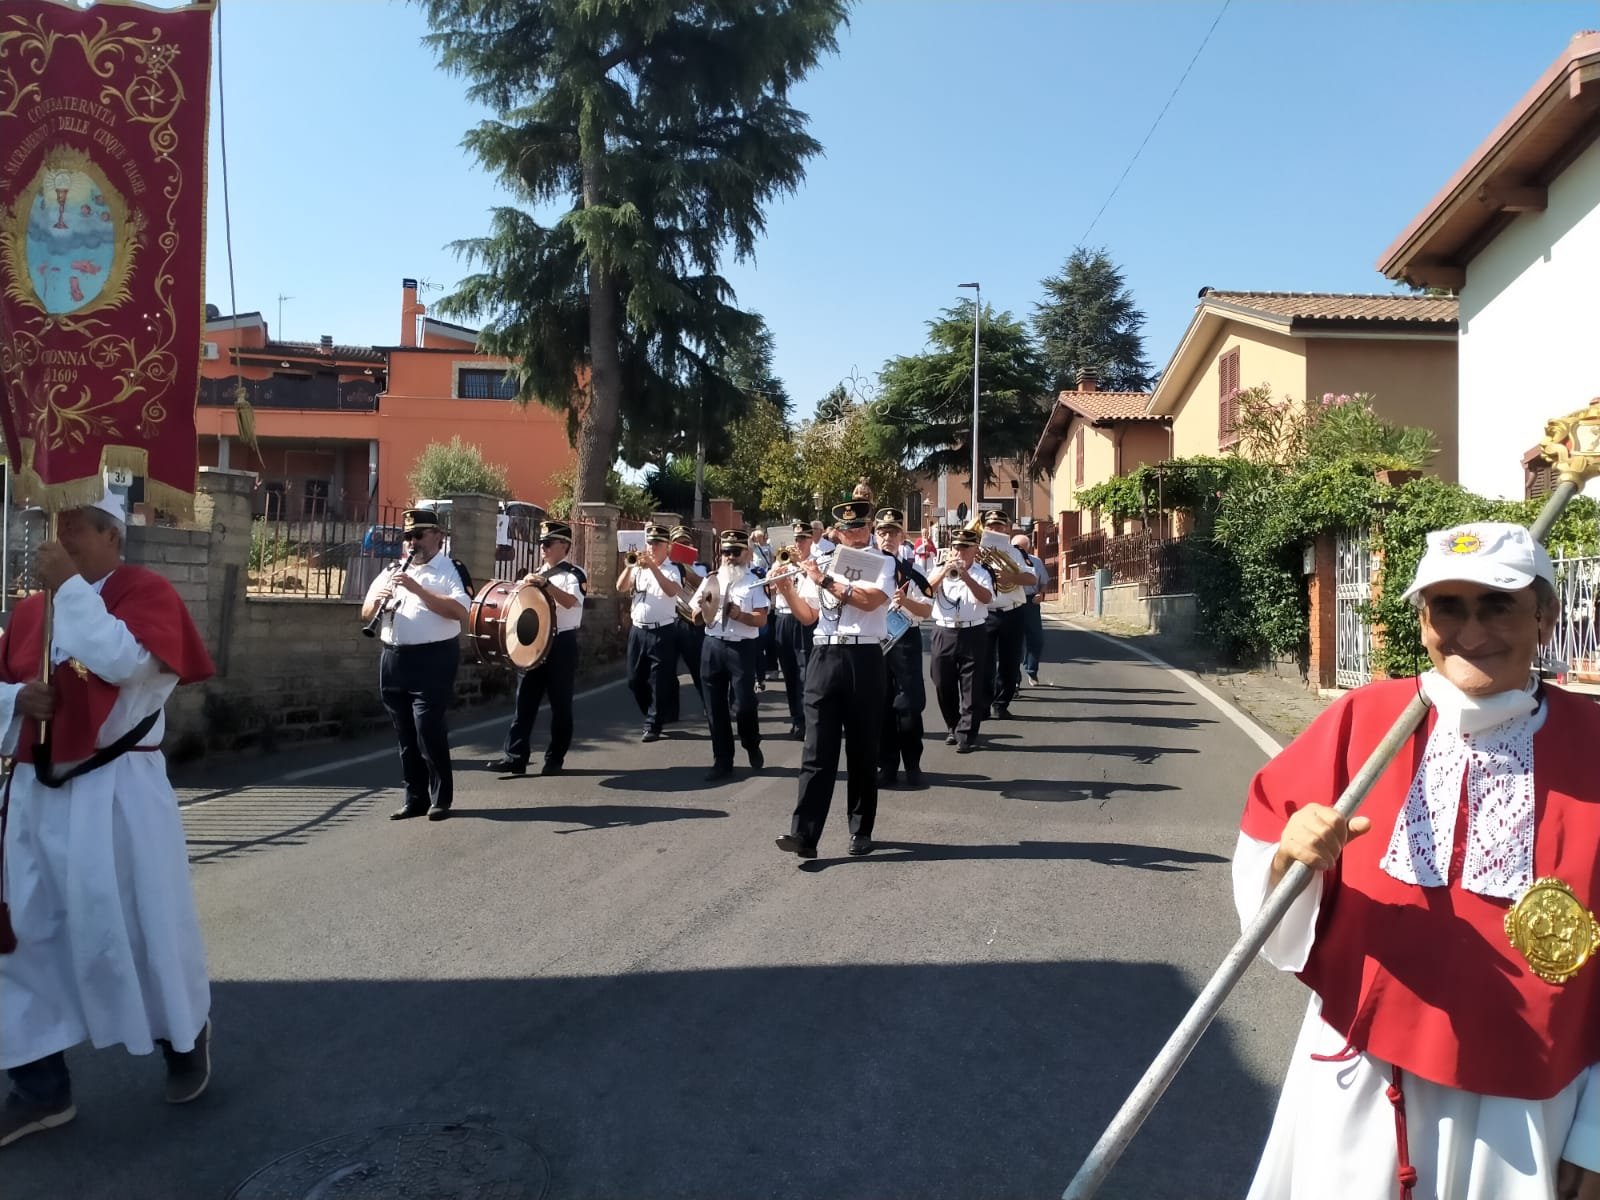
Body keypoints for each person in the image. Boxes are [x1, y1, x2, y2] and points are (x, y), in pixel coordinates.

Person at [1234, 522, 1600, 1200]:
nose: (1470, 630)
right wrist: (1291, 861)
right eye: (1448, 607)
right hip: (1362, 1082)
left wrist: (1598, 1134)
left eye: (1497, 605)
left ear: (1546, 615)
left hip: (1531, 1108)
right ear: (1422, 619)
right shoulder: (1364, 719)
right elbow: (1266, 888)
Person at [1, 489, 215, 1147]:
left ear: (112, 537)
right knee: (24, 939)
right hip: (39, 796)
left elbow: (123, 662)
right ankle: (41, 1090)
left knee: (140, 929)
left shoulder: (145, 592)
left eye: (75, 532)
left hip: (119, 795)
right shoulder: (31, 609)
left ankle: (184, 1038)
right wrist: (16, 698)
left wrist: (68, 589)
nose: (58, 543)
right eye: (55, 530)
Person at [774, 499, 895, 858]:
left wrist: (822, 579)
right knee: (816, 750)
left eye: (859, 527)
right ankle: (804, 835)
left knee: (862, 749)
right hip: (825, 654)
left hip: (864, 656)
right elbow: (809, 616)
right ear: (837, 533)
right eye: (847, 529)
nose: (854, 535)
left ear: (869, 528)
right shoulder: (823, 562)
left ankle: (860, 829)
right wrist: (788, 591)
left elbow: (871, 601)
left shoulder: (882, 563)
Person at [363, 507, 470, 822]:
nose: (413, 542)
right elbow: (366, 611)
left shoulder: (451, 569)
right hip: (394, 658)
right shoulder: (392, 570)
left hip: (434, 657)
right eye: (407, 536)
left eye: (419, 535)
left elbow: (459, 612)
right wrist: (376, 601)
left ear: (437, 536)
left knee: (428, 727)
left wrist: (417, 589)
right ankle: (415, 798)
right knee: (405, 733)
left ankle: (441, 797)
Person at [486, 521, 586, 777]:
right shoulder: (534, 573)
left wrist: (545, 585)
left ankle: (555, 757)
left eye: (548, 543)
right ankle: (515, 756)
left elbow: (571, 602)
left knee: (560, 706)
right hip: (534, 642)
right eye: (541, 543)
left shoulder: (574, 574)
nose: (542, 547)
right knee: (524, 703)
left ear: (563, 545)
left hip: (561, 643)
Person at [690, 529, 768, 782]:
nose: (730, 557)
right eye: (726, 552)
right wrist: (703, 606)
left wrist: (739, 615)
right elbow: (694, 618)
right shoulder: (711, 579)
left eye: (736, 552)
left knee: (744, 704)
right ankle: (722, 759)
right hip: (712, 645)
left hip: (741, 648)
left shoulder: (754, 581)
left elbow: (761, 619)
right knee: (714, 707)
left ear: (747, 553)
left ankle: (750, 741)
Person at [874, 508, 932, 789]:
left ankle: (912, 765)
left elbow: (928, 609)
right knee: (881, 706)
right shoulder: (867, 568)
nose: (887, 537)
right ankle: (886, 765)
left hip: (905, 639)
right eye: (882, 532)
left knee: (908, 708)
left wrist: (906, 602)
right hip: (875, 642)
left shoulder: (912, 571)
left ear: (901, 537)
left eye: (892, 532)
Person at [927, 527, 994, 754]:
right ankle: (952, 725)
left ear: (975, 549)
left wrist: (966, 577)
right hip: (943, 631)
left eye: (965, 548)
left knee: (972, 685)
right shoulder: (938, 569)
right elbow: (926, 593)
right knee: (941, 682)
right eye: (956, 547)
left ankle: (966, 733)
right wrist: (943, 572)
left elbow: (986, 598)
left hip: (972, 632)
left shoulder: (983, 572)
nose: (960, 552)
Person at [616, 524, 684, 742]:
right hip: (638, 631)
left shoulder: (673, 569)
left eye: (657, 543)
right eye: (650, 543)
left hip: (662, 631)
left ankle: (653, 724)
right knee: (634, 680)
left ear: (668, 547)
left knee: (660, 681)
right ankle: (653, 714)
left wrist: (654, 568)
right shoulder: (638, 568)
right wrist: (630, 566)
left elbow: (672, 590)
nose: (652, 547)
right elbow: (620, 587)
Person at [981, 510, 1035, 720]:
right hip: (984, 613)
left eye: (1000, 526)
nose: (995, 529)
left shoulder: (1016, 553)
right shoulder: (974, 552)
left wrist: (1010, 576)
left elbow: (1031, 579)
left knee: (1010, 662)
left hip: (1012, 612)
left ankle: (1001, 704)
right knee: (982, 662)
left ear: (1008, 529)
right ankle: (983, 704)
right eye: (991, 526)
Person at [768, 520, 815, 740]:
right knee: (789, 673)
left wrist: (800, 566)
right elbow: (768, 587)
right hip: (783, 619)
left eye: (802, 539)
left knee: (806, 673)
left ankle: (809, 720)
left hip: (805, 620)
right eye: (795, 539)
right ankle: (797, 720)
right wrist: (776, 572)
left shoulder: (815, 563)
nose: (798, 543)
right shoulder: (780, 560)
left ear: (810, 540)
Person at [670, 525, 707, 708]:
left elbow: (705, 586)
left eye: (686, 543)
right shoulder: (665, 567)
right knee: (667, 672)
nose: (682, 546)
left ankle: (710, 708)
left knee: (698, 668)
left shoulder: (702, 568)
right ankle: (669, 711)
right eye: (678, 543)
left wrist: (684, 568)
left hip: (692, 623)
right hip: (670, 621)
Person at [1014, 532, 1050, 686]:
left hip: (1030, 602)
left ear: (1028, 549)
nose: (1020, 551)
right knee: (1013, 642)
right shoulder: (1007, 561)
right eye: (1017, 548)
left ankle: (1031, 670)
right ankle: (1014, 679)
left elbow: (1044, 581)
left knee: (1036, 640)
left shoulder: (1036, 561)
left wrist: (1041, 594)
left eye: (1023, 548)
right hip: (1013, 602)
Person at [749, 529, 775, 690]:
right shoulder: (753, 548)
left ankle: (760, 678)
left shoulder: (758, 572)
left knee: (760, 645)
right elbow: (748, 544)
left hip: (761, 608)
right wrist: (751, 537)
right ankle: (755, 677)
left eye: (760, 536)